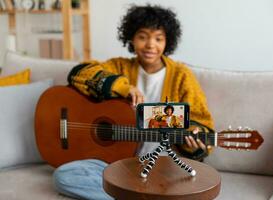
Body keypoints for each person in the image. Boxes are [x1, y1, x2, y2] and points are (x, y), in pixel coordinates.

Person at [53, 4, 214, 200]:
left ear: (167, 41)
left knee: (178, 186)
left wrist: (192, 139)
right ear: (131, 38)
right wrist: (122, 87)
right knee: (63, 175)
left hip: (164, 166)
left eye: (158, 38)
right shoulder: (119, 67)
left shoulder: (182, 76)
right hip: (118, 164)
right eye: (143, 36)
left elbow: (203, 127)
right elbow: (78, 73)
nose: (150, 45)